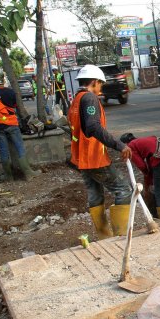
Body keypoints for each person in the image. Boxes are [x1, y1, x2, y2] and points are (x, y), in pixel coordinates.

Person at [68, 64, 133, 239]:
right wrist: (119, 145)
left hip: (81, 157)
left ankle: (104, 237)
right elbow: (92, 127)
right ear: (95, 82)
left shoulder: (76, 99)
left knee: (95, 193)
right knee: (123, 189)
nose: (100, 89)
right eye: (101, 85)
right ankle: (121, 236)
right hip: (93, 157)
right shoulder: (89, 99)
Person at [0, 70, 41, 182]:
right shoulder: (10, 92)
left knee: (3, 150)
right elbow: (14, 105)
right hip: (12, 124)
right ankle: (28, 173)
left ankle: (8, 176)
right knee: (19, 147)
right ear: (2, 78)